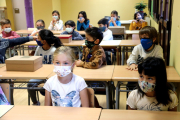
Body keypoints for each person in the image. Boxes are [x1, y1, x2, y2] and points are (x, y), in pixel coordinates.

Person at [27, 29, 63, 105]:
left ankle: (53, 103)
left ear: (44, 41)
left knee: (50, 86)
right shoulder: (38, 49)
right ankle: (35, 102)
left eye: (38, 38)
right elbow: (35, 61)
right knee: (30, 84)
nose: (37, 39)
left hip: (52, 76)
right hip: (41, 75)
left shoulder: (54, 50)